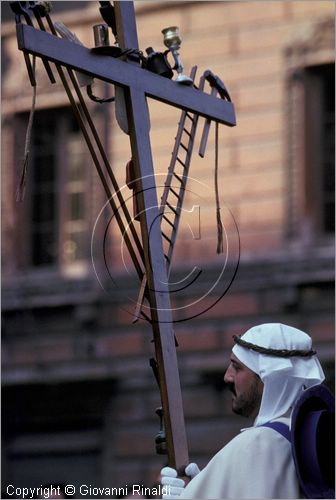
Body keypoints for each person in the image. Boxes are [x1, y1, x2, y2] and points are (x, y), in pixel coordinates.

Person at [160, 323, 326, 499]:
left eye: (237, 367)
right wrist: (211, 485)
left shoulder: (257, 443)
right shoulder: (308, 436)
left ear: (267, 379)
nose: (227, 376)